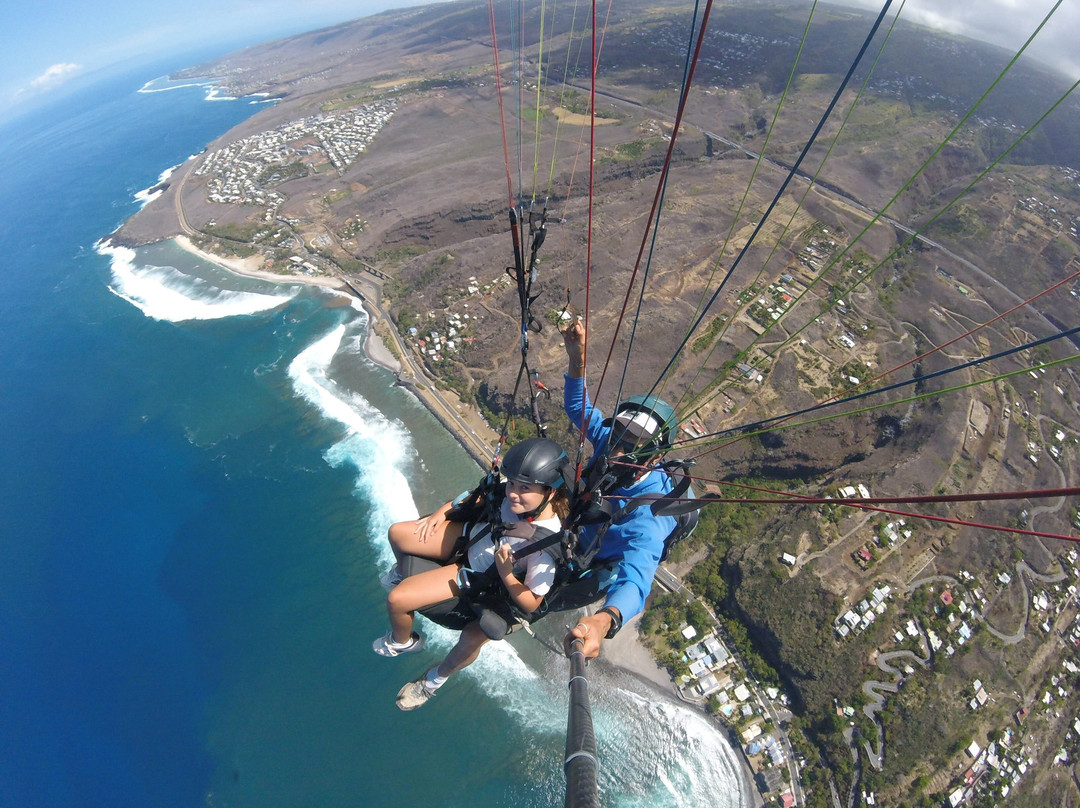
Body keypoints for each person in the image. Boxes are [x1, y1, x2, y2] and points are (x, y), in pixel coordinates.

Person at [375, 437, 571, 710]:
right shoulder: (514, 496)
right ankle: (402, 572)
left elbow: (532, 602)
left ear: (550, 492)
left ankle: (413, 655)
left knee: (399, 601)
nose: (513, 492)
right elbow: (477, 495)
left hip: (478, 577)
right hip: (472, 541)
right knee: (398, 533)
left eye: (524, 487)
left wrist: (507, 574)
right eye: (512, 483)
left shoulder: (544, 546)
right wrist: (442, 513)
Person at [560, 317, 678, 659]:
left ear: (654, 458)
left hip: (594, 564)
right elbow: (577, 407)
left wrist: (602, 621)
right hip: (572, 532)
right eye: (620, 437)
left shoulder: (650, 512)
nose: (620, 451)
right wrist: (577, 358)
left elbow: (637, 576)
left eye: (634, 446)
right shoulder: (608, 443)